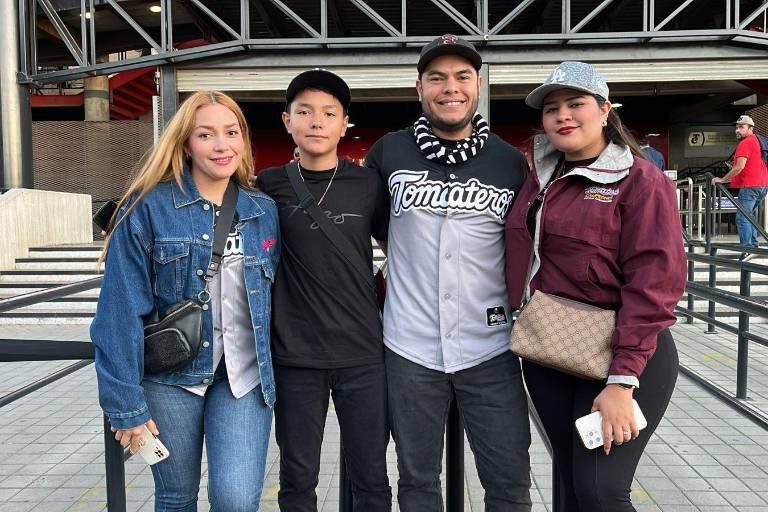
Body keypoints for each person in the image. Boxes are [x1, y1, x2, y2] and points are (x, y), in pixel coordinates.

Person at [505, 61, 686, 512]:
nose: (563, 115)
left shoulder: (640, 182)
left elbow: (654, 282)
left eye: (576, 104)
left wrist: (623, 381)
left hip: (620, 356)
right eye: (552, 108)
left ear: (605, 109)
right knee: (569, 484)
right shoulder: (539, 179)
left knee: (601, 492)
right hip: (550, 351)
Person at [365, 35, 532, 511]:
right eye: (437, 78)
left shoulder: (506, 160)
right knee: (417, 484)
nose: (450, 87)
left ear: (478, 84)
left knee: (509, 483)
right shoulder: (389, 152)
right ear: (419, 87)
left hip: (490, 347)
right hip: (410, 345)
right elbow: (378, 229)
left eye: (462, 76)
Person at [91, 91, 280, 511]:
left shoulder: (262, 209)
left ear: (244, 141)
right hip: (171, 379)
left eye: (232, 133)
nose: (221, 145)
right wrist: (126, 406)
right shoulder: (146, 207)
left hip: (243, 377)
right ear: (185, 144)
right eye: (205, 134)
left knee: (235, 499)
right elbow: (118, 311)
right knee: (176, 497)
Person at [257, 69, 391, 512]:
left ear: (343, 123)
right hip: (294, 355)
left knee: (372, 476)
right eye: (305, 112)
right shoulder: (267, 185)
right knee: (297, 479)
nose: (317, 121)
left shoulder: (369, 184)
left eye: (329, 113)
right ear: (287, 121)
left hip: (363, 353)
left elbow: (401, 247)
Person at [713, 115, 768, 259]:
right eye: (737, 127)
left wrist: (722, 179)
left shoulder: (745, 143)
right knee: (750, 216)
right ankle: (754, 246)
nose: (737, 130)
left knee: (742, 217)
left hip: (750, 185)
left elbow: (739, 167)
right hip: (762, 184)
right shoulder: (758, 141)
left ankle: (747, 249)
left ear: (750, 128)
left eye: (741, 127)